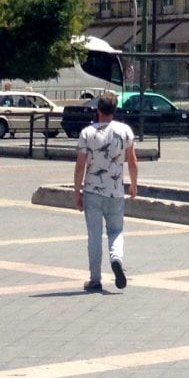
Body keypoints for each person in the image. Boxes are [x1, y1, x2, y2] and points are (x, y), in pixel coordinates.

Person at [74, 90, 139, 292]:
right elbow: (132, 161)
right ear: (114, 109)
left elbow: (80, 165)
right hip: (116, 191)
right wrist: (134, 184)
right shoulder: (125, 131)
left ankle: (95, 279)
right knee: (116, 230)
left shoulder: (87, 133)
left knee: (94, 235)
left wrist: (77, 192)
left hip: (93, 190)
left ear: (98, 110)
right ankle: (116, 259)